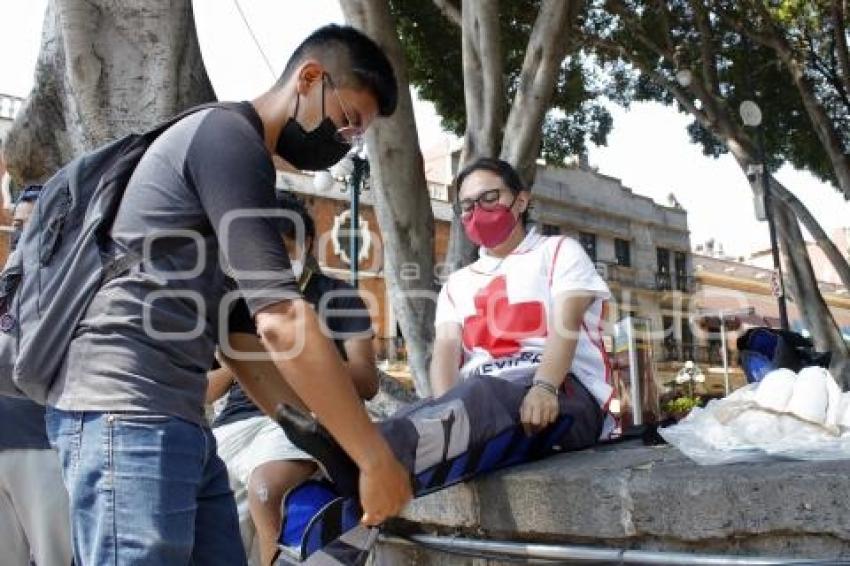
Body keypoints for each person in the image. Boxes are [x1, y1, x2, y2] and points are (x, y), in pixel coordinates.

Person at [45, 24, 411, 566]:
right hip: (125, 409)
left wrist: (328, 449)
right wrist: (374, 457)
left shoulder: (246, 171)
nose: (341, 146)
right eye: (346, 123)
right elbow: (283, 321)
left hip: (176, 415)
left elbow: (242, 343)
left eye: (354, 139)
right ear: (310, 78)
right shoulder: (227, 138)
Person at [208, 193, 377, 566]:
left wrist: (297, 356)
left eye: (286, 248)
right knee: (202, 509)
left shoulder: (338, 296)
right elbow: (206, 389)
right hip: (233, 425)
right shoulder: (235, 300)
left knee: (267, 488)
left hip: (303, 417)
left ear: (308, 246)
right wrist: (244, 359)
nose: (275, 260)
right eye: (266, 248)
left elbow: (366, 381)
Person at [430, 156, 616, 444]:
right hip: (481, 399)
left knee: (479, 399)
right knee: (420, 419)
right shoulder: (455, 284)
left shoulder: (558, 251)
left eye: (490, 197)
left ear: (521, 201)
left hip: (561, 390)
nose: (478, 211)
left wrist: (544, 386)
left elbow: (565, 324)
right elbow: (445, 353)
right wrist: (443, 412)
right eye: (467, 206)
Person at [0, 185, 73, 566]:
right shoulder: (4, 284)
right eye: (15, 226)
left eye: (31, 226)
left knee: (56, 558)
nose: (19, 237)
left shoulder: (67, 289)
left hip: (42, 443)